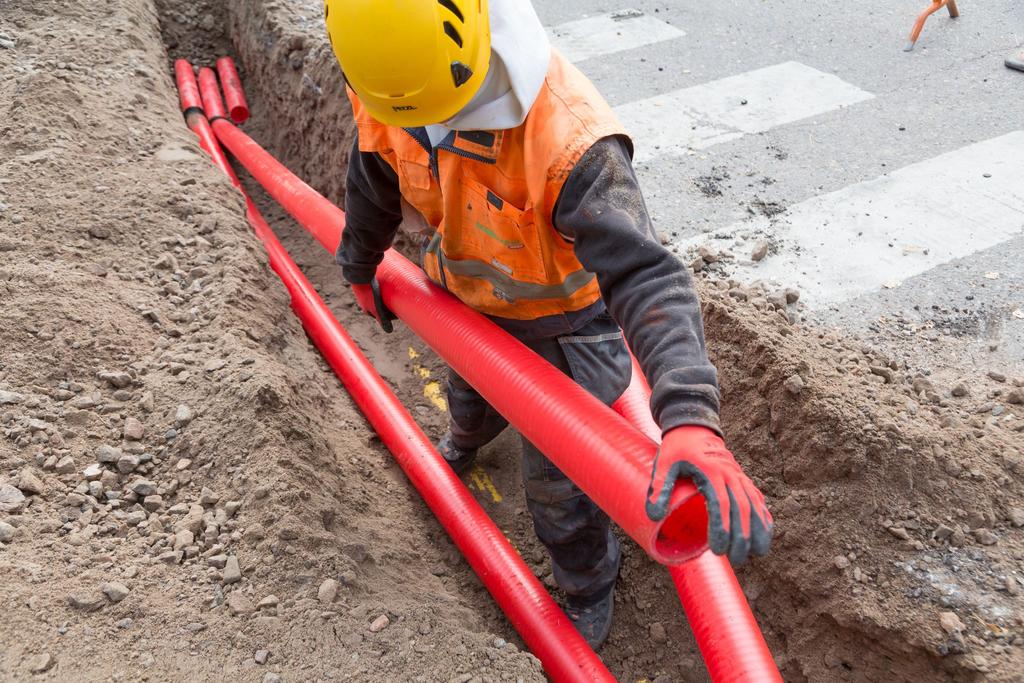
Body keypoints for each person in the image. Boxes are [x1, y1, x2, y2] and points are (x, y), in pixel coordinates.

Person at [324, 0, 773, 649]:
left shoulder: (568, 140)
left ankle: (588, 581)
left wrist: (689, 417)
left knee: (559, 486)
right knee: (467, 398)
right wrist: (360, 261)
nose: (419, 126)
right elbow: (371, 176)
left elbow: (647, 275)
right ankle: (466, 437)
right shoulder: (388, 78)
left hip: (565, 331)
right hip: (469, 304)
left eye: (432, 114)